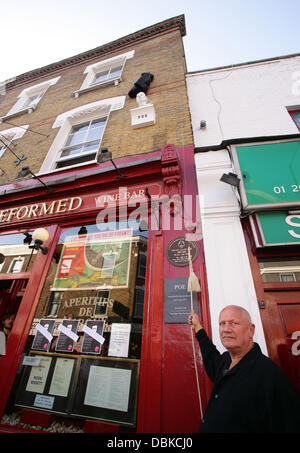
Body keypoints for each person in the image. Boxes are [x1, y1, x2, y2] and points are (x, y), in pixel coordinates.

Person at [188, 305, 300, 433]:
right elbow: (211, 357)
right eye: (222, 323)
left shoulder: (269, 375)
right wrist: (198, 328)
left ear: (251, 330)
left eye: (233, 323)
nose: (226, 329)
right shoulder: (225, 361)